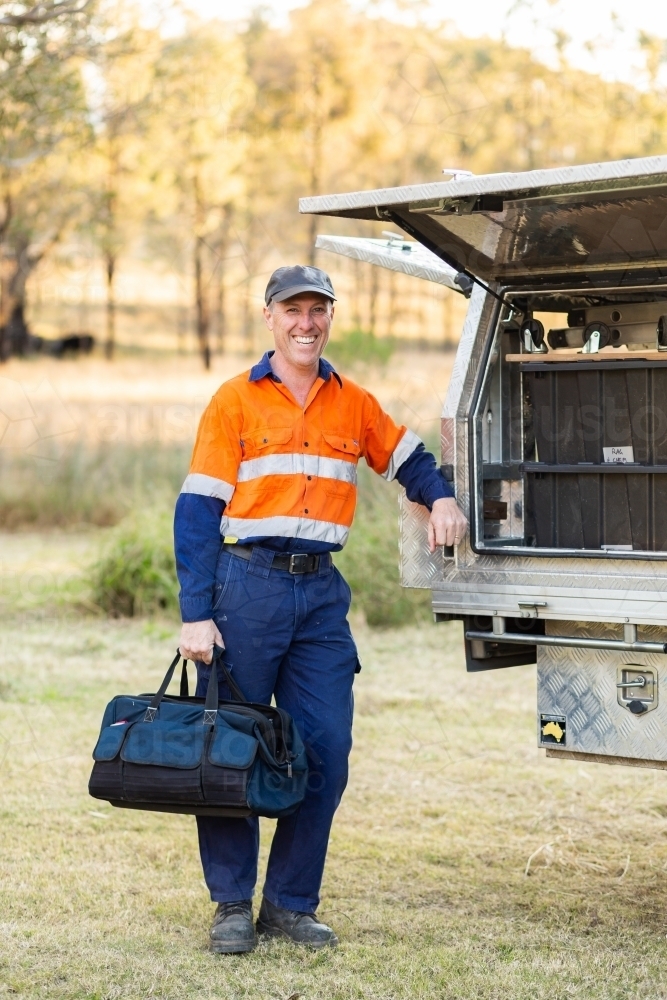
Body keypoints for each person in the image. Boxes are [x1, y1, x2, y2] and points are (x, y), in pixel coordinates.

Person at [174, 264, 468, 954]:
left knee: (325, 751)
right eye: (292, 310)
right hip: (245, 586)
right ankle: (230, 907)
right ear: (269, 317)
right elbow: (195, 512)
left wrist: (443, 496)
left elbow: (408, 459)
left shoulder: (352, 402)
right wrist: (196, 612)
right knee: (230, 748)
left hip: (320, 598)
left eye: (317, 310)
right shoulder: (233, 402)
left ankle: (289, 903)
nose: (305, 323)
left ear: (329, 317)